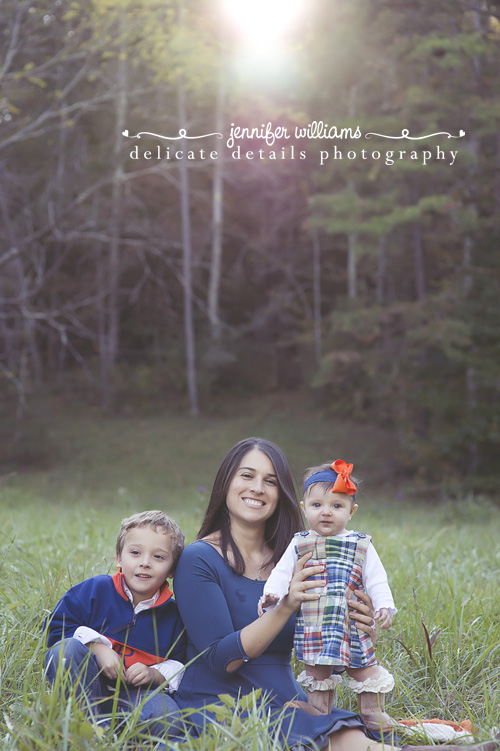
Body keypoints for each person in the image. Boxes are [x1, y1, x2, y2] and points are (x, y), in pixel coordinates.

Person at [173, 437, 497, 751]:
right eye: (247, 475)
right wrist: (285, 606)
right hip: (219, 704)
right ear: (225, 483)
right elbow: (220, 660)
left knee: (351, 732)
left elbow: (322, 638)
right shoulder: (199, 558)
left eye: (270, 481)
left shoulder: (301, 555)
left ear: (281, 493)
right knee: (342, 740)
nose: (257, 488)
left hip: (289, 700)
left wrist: (362, 624)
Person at [258, 459, 397, 729]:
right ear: (304, 507)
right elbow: (282, 572)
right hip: (315, 620)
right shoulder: (300, 541)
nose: (326, 512)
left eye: (337, 506)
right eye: (317, 505)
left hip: (351, 621)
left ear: (351, 511)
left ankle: (371, 711)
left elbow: (377, 578)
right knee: (317, 668)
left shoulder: (360, 543)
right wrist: (273, 594)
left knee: (363, 666)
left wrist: (384, 606)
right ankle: (319, 708)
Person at [44, 510, 186, 734]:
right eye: (135, 552)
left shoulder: (175, 616)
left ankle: (124, 738)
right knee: (65, 653)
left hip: (136, 696)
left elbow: (182, 663)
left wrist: (153, 674)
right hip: (87, 685)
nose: (145, 563)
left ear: (172, 569)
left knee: (167, 716)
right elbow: (55, 628)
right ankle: (89, 732)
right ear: (119, 557)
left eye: (158, 557)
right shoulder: (96, 590)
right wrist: (97, 648)